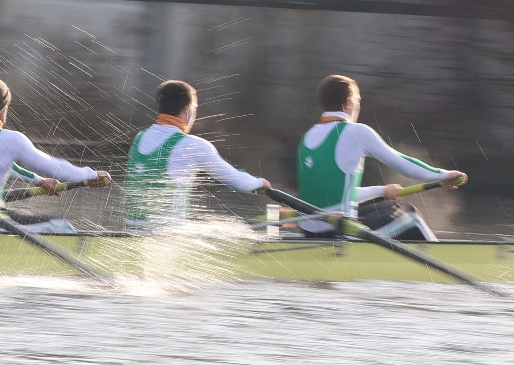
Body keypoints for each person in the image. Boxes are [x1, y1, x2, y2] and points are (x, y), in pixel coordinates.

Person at [294, 74, 465, 241]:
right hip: (341, 233)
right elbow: (403, 163)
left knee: (391, 208)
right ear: (349, 103)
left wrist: (382, 191)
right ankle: (442, 258)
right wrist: (443, 175)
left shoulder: (307, 137)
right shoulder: (356, 132)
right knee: (411, 216)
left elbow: (335, 196)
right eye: (358, 101)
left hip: (311, 232)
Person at [0, 74, 108, 231]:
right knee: (64, 227)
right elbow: (55, 167)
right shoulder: (9, 139)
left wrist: (39, 180)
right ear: (2, 108)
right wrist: (91, 175)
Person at [123, 79, 269, 231]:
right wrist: (260, 183)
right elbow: (239, 182)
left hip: (131, 232)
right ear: (187, 109)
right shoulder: (193, 145)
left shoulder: (139, 138)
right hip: (167, 234)